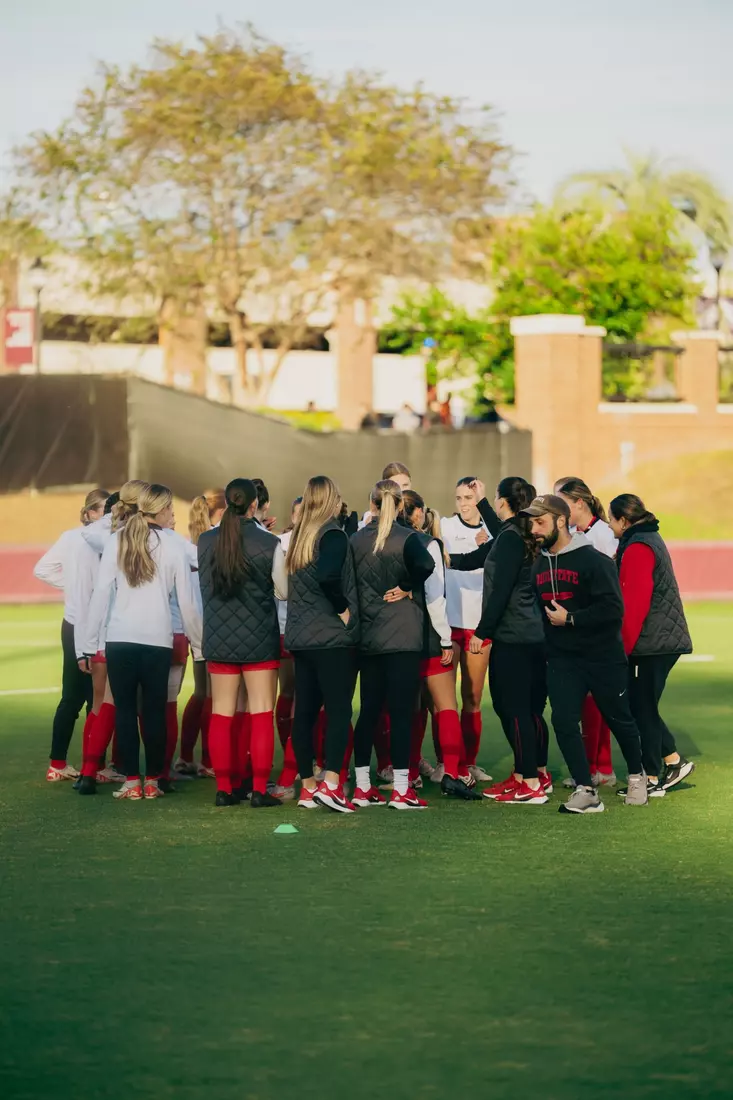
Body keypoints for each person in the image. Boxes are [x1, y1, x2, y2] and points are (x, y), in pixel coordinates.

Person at [523, 494, 649, 813]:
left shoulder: (595, 560)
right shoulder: (537, 564)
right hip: (563, 659)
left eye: (540, 522)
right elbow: (540, 610)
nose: (534, 529)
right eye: (532, 522)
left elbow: (613, 608)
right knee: (563, 721)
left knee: (619, 718)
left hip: (602, 655)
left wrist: (572, 619)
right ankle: (585, 789)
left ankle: (637, 775)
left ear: (561, 521)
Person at [77, 484, 203, 800]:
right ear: (160, 510)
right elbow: (187, 603)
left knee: (124, 712)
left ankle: (132, 780)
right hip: (158, 640)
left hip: (119, 639)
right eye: (170, 508)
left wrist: (88, 644)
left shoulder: (117, 541)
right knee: (155, 711)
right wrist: (200, 644)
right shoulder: (173, 545)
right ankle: (155, 779)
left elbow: (100, 596)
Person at [451, 478, 552, 805]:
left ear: (503, 501)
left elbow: (500, 591)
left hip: (514, 634)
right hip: (533, 633)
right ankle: (530, 773)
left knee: (515, 708)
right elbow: (499, 532)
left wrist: (482, 632)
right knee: (529, 710)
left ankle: (532, 783)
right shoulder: (523, 533)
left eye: (493, 499)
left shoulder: (511, 539)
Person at [197, 478, 288, 808]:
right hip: (259, 636)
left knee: (222, 713)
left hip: (219, 636)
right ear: (254, 505)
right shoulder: (268, 542)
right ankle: (259, 789)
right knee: (261, 711)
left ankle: (224, 788)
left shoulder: (206, 540)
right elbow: (284, 590)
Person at [351, 480, 435, 809]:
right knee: (402, 715)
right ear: (400, 506)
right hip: (402, 635)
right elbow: (426, 565)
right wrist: (405, 586)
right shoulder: (408, 538)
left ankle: (361, 787)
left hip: (369, 636)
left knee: (368, 712)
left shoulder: (356, 540)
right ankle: (401, 790)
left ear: (372, 504)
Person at [608, 494, 695, 796]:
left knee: (641, 708)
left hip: (653, 643)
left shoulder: (638, 547)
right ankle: (672, 761)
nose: (609, 525)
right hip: (659, 640)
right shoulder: (646, 538)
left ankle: (653, 777)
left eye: (611, 519)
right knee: (641, 705)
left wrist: (623, 650)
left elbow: (635, 606)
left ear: (624, 520)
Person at [284, 476, 360, 812]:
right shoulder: (331, 534)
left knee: (305, 713)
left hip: (302, 637)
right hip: (329, 638)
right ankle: (331, 782)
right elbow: (329, 576)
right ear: (330, 500)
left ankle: (307, 786)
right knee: (339, 711)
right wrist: (344, 609)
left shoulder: (300, 536)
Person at [403, 490, 481, 802]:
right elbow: (435, 596)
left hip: (393, 637)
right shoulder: (427, 544)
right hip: (427, 634)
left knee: (407, 708)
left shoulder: (381, 540)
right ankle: (453, 771)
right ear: (419, 513)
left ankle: (405, 775)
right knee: (445, 705)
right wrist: (446, 638)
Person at [34, 488, 110, 781]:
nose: (107, 516)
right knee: (92, 697)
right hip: (89, 623)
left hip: (74, 623)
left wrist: (70, 584)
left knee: (77, 697)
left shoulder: (71, 537)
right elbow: (41, 569)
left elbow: (43, 570)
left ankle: (60, 763)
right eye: (102, 510)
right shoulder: (92, 540)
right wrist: (74, 585)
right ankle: (93, 766)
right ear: (89, 513)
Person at [557, 478, 618, 787]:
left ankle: (594, 768)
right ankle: (603, 768)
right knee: (595, 697)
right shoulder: (581, 534)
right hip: (581, 621)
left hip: (594, 624)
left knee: (592, 698)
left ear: (578, 503)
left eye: (562, 501)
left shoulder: (603, 535)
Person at [439, 477, 499, 783]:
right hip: (449, 626)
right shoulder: (445, 527)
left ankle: (470, 762)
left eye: (469, 497)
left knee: (472, 697)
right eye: (459, 497)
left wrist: (486, 548)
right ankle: (447, 764)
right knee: (443, 699)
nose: (463, 503)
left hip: (479, 626)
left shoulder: (494, 531)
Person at [174, 489, 226, 778]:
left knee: (201, 693)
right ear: (220, 513)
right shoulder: (211, 545)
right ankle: (208, 759)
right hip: (211, 627)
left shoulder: (191, 544)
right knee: (213, 697)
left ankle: (185, 756)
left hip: (194, 628)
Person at [273, 496, 304, 800]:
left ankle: (303, 765)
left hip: (305, 633)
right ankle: (293, 762)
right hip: (287, 630)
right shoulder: (280, 543)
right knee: (291, 694)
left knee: (303, 700)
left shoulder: (322, 540)